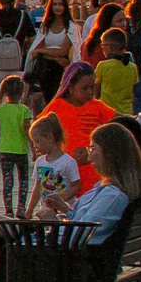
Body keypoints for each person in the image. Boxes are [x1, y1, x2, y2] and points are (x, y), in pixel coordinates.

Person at [35, 61, 117, 194]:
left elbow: (121, 121)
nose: (90, 92)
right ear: (70, 87)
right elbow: (38, 131)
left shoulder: (97, 106)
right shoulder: (57, 107)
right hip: (62, 172)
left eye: (92, 87)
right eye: (84, 88)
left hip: (92, 172)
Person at [28, 0, 76, 109]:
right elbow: (36, 49)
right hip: (45, 70)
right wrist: (51, 55)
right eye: (55, 4)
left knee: (61, 102)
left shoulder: (71, 27)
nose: (58, 7)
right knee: (47, 101)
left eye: (61, 4)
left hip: (62, 70)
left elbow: (63, 51)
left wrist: (43, 51)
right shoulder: (45, 27)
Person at [0, 76, 33, 216]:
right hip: (21, 149)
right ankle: (21, 207)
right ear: (22, 92)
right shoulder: (24, 110)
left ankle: (8, 210)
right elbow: (27, 130)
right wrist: (34, 149)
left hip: (4, 149)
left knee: (7, 180)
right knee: (24, 180)